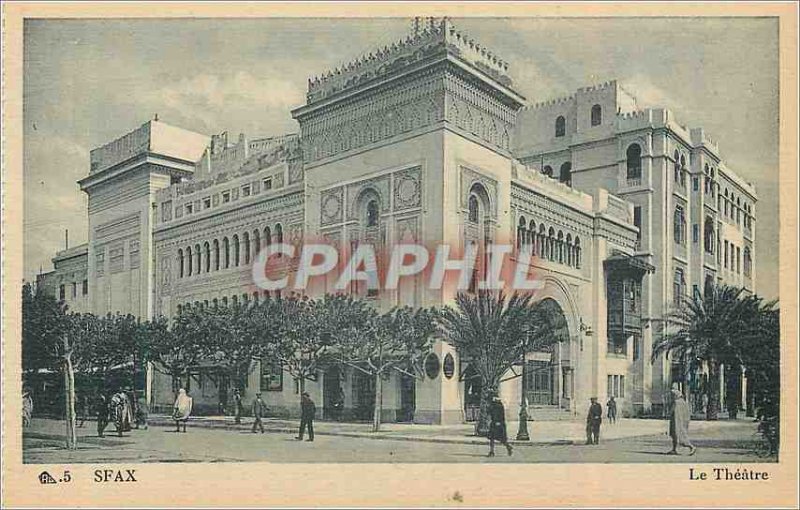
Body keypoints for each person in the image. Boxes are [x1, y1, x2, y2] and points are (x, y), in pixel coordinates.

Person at [668, 386, 696, 455]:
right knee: (675, 435)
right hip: (681, 422)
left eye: (672, 395)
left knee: (678, 435)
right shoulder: (683, 402)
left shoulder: (676, 402)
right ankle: (674, 449)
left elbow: (672, 411)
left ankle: (691, 447)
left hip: (676, 422)